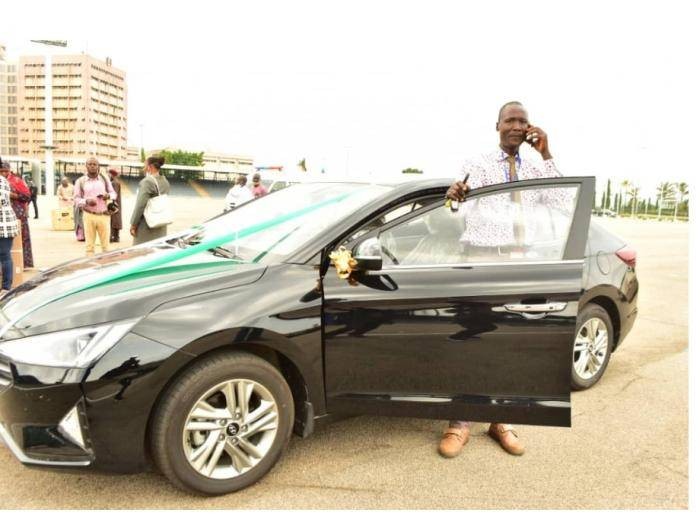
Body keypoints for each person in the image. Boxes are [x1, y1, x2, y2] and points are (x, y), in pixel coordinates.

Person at [439, 101, 561, 459]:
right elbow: (454, 208)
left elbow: (561, 201)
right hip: (482, 262)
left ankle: (499, 420)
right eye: (511, 120)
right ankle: (459, 422)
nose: (517, 126)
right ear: (497, 126)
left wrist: (547, 152)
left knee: (509, 347)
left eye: (523, 121)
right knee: (473, 343)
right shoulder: (476, 164)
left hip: (520, 266)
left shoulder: (537, 168)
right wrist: (453, 198)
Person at [73, 157, 117, 256]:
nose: (92, 166)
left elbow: (113, 193)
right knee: (89, 247)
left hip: (104, 215)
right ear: (86, 166)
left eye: (94, 164)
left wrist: (108, 196)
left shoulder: (104, 179)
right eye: (90, 164)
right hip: (88, 215)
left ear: (98, 166)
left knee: (106, 246)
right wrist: (86, 201)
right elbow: (76, 199)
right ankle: (91, 268)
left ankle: (106, 267)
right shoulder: (80, 181)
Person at [130, 155, 171, 245]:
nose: (144, 168)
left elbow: (140, 205)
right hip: (161, 224)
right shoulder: (165, 182)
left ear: (150, 167)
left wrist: (133, 224)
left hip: (146, 227)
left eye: (145, 165)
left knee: (142, 252)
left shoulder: (147, 182)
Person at [4, 167, 34, 268]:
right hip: (3, 216)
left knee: (21, 239)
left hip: (18, 214)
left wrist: (12, 195)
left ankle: (22, 264)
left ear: (9, 170)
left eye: (5, 171)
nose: (3, 173)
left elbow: (27, 196)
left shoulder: (16, 181)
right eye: (1, 171)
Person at [0, 161, 19, 294]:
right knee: (4, 255)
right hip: (6, 222)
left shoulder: (1, 180)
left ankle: (6, 288)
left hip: (4, 223)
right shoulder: (3, 180)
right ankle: (6, 287)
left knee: (4, 255)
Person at [108, 168, 122, 242]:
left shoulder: (114, 183)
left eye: (109, 174)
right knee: (116, 221)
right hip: (117, 204)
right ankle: (116, 237)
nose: (108, 175)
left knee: (113, 221)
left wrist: (112, 205)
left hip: (114, 204)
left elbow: (114, 194)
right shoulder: (116, 182)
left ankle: (112, 237)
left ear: (112, 175)